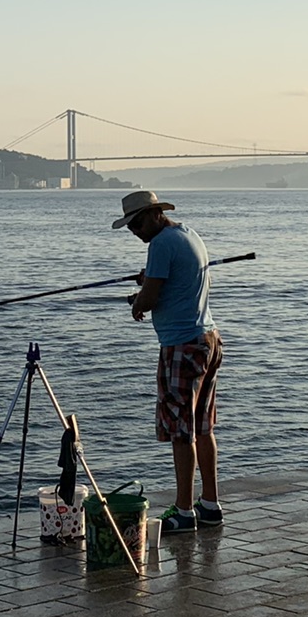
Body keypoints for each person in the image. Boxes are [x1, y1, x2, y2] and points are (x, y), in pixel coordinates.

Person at [117, 190, 223, 535]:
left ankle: (184, 511)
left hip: (181, 347)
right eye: (130, 226)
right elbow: (169, 282)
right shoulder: (187, 234)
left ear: (153, 215)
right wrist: (148, 281)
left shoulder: (160, 244)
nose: (134, 231)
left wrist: (137, 303)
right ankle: (210, 505)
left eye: (136, 223)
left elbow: (150, 297)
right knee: (203, 427)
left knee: (182, 431)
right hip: (208, 339)